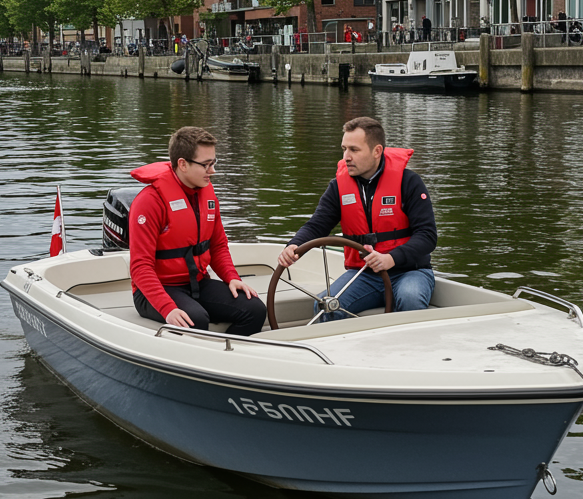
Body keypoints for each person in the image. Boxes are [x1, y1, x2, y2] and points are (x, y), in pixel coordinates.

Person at [277, 116, 436, 320]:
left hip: (409, 272)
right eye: (344, 149)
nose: (346, 157)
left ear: (376, 151)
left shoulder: (409, 182)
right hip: (364, 274)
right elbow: (317, 225)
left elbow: (427, 236)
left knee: (410, 298)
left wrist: (391, 258)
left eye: (354, 150)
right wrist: (294, 245)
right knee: (326, 306)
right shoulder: (338, 187)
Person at [128, 126, 266, 335]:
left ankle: (226, 352)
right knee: (195, 320)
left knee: (254, 309)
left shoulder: (207, 195)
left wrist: (232, 277)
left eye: (214, 163)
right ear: (183, 164)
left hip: (197, 283)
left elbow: (218, 246)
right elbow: (140, 267)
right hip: (154, 291)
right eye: (206, 165)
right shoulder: (149, 202)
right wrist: (167, 308)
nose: (213, 171)